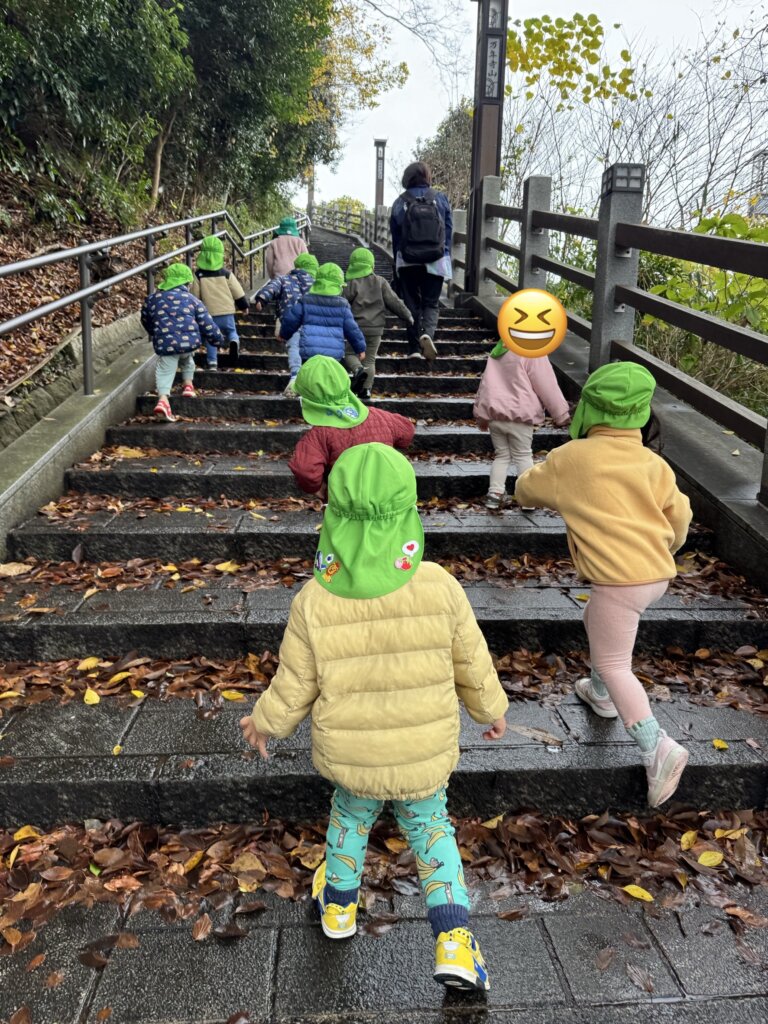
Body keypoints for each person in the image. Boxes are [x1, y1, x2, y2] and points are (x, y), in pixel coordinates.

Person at [241, 443, 509, 992]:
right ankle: (455, 942)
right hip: (422, 751)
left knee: (349, 819)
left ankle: (339, 908)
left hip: (353, 753)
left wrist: (265, 721)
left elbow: (295, 682)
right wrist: (491, 709)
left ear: (333, 518)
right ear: (408, 513)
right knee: (432, 832)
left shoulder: (315, 600)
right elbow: (471, 661)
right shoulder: (439, 586)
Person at [514, 362, 693, 807]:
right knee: (595, 617)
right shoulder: (654, 464)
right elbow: (681, 517)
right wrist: (666, 547)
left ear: (588, 409)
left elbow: (526, 490)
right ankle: (600, 695)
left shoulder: (571, 458)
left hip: (619, 580)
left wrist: (531, 477)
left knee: (615, 663)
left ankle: (657, 748)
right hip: (655, 574)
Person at [288, 355, 415, 496]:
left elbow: (304, 470)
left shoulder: (319, 435)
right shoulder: (380, 417)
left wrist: (318, 488)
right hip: (389, 497)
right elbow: (407, 431)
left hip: (345, 505)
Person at [474, 340, 571, 510]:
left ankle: (494, 494)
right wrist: (561, 414)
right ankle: (528, 499)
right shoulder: (532, 351)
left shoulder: (499, 350)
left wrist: (481, 416)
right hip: (520, 415)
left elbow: (485, 385)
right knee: (523, 456)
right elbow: (547, 385)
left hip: (495, 415)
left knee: (502, 456)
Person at [140, 262, 224, 423]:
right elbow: (207, 323)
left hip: (166, 343)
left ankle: (163, 399)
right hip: (189, 343)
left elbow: (145, 319)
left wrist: (155, 332)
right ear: (187, 283)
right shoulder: (192, 300)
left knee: (165, 370)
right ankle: (188, 386)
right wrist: (217, 339)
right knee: (188, 360)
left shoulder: (152, 299)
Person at [390, 162, 452, 363]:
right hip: (436, 259)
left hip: (407, 261)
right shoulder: (440, 198)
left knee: (411, 305)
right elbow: (448, 232)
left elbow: (396, 238)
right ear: (427, 177)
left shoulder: (400, 202)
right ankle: (428, 335)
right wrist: (446, 257)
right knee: (431, 303)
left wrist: (397, 265)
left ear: (407, 178)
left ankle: (414, 349)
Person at [342, 247, 413, 402]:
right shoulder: (381, 282)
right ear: (372, 265)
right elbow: (394, 301)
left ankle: (357, 369)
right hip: (376, 329)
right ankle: (366, 390)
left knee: (349, 353)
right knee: (370, 359)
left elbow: (341, 302)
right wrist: (407, 316)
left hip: (356, 328)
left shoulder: (351, 283)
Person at [279, 263, 366, 378]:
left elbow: (291, 320)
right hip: (333, 354)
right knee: (329, 379)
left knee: (309, 378)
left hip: (309, 351)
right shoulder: (342, 305)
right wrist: (360, 348)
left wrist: (283, 334)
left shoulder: (306, 300)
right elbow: (352, 329)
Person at [254, 253, 319, 395]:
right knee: (312, 351)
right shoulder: (318, 283)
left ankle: (295, 375)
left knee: (294, 347)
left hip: (291, 323)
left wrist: (261, 299)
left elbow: (272, 287)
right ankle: (311, 380)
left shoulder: (284, 279)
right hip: (313, 324)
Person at [190, 235, 249, 370]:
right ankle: (234, 341)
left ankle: (212, 363)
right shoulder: (226, 274)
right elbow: (238, 292)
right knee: (231, 331)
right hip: (227, 311)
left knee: (211, 338)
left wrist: (194, 313)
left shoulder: (199, 275)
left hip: (209, 314)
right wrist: (244, 306)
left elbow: (194, 297)